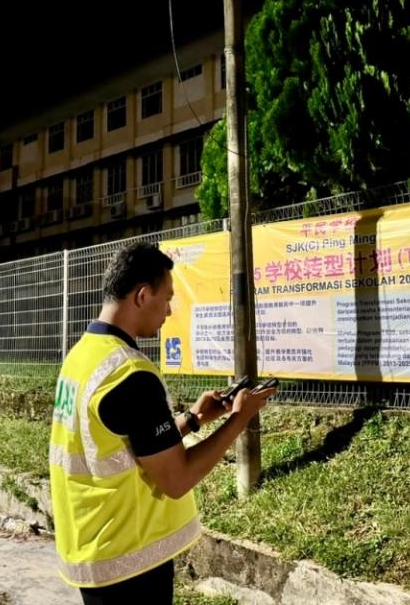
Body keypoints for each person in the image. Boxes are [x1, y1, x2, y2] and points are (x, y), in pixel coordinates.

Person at [49, 241, 276, 604]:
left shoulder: (82, 356)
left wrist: (194, 419)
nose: (169, 311)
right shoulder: (130, 374)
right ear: (142, 295)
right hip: (130, 559)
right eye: (167, 298)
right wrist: (239, 419)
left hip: (93, 546)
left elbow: (123, 444)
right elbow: (177, 478)